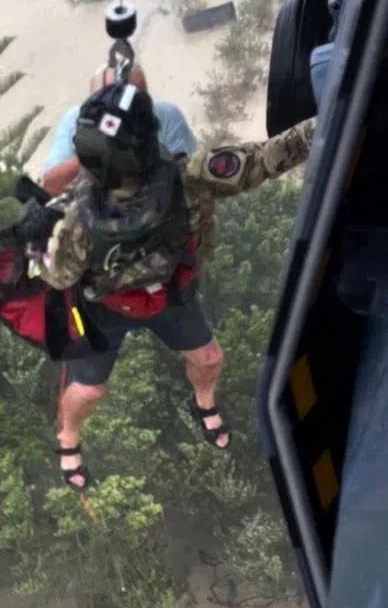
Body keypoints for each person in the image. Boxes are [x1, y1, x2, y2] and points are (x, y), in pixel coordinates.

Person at [30, 80, 317, 490]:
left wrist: (41, 242)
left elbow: (56, 276)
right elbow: (271, 155)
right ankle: (68, 436)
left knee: (208, 359)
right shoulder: (189, 179)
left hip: (170, 296)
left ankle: (203, 402)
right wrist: (336, 117)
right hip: (103, 309)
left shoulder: (77, 217)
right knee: (89, 390)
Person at [41, 64, 198, 196]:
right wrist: (94, 147)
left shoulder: (166, 115)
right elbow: (51, 187)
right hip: (94, 212)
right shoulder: (76, 121)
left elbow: (192, 180)